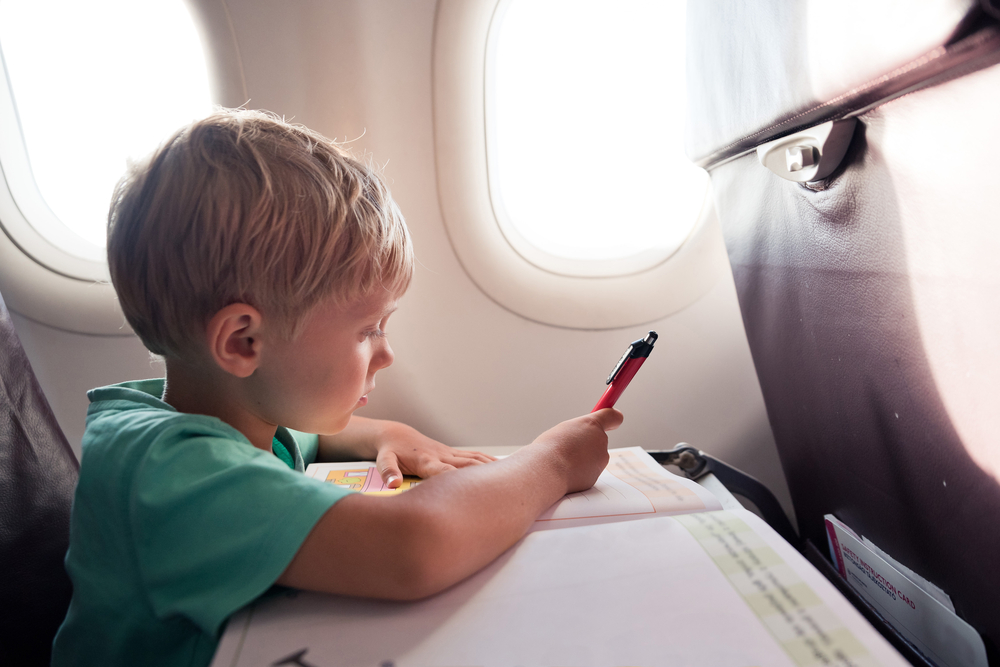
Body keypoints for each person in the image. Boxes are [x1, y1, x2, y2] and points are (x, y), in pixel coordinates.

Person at [51, 109, 622, 666]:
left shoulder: (226, 411)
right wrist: (550, 463)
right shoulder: (171, 474)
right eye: (368, 329)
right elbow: (411, 548)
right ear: (244, 342)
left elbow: (313, 434)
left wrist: (388, 433)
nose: (388, 352)